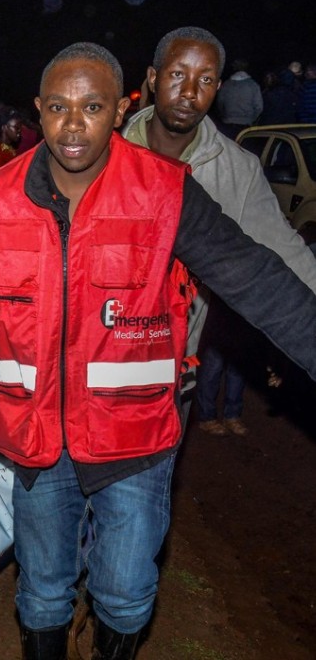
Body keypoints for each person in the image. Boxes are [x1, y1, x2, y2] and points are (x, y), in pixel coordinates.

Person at [0, 42, 316, 660]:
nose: (73, 125)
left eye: (92, 107)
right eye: (58, 107)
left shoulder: (165, 192)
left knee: (126, 591)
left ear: (122, 108)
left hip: (134, 438)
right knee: (43, 593)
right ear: (36, 111)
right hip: (37, 436)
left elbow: (254, 277)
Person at [122, 26, 316, 435]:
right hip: (89, 368)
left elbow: (286, 253)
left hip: (172, 375)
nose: (189, 91)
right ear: (153, 79)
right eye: (177, 75)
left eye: (205, 80)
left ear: (219, 89)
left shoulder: (237, 170)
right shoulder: (104, 150)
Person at [215, 59, 262, 139]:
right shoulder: (253, 85)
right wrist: (251, 119)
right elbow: (259, 107)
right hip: (246, 127)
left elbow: (220, 103)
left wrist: (224, 116)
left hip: (227, 125)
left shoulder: (226, 85)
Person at [0, 103, 23, 168]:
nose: (19, 131)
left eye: (20, 128)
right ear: (4, 127)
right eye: (16, 128)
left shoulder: (8, 148)